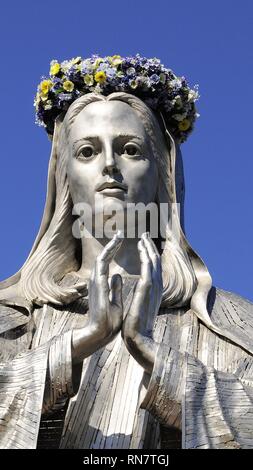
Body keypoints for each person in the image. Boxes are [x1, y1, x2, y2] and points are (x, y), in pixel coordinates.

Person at [0, 55, 253, 449]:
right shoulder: (12, 321)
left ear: (162, 175)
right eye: (86, 152)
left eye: (130, 150)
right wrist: (75, 346)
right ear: (65, 178)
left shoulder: (232, 323)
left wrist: (158, 361)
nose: (108, 166)